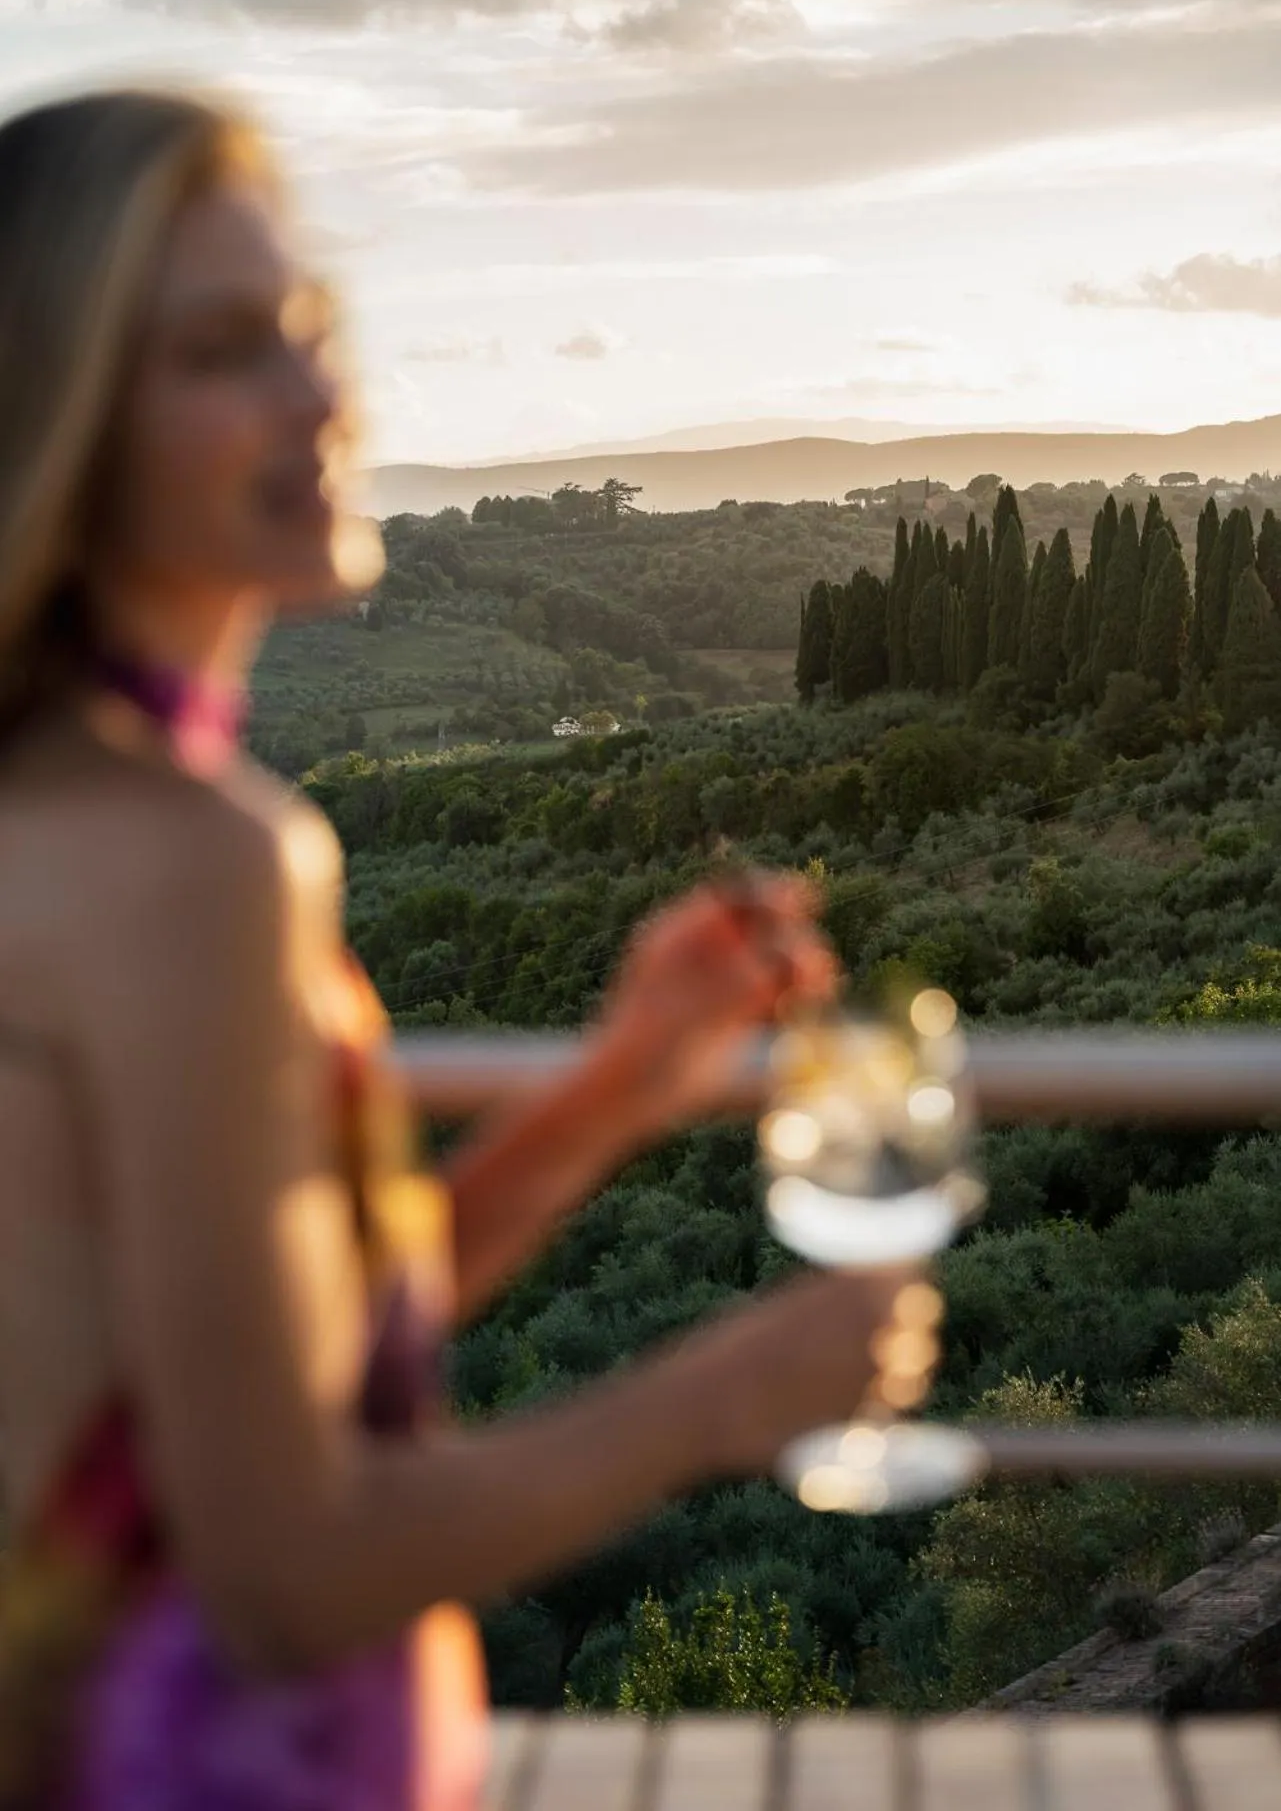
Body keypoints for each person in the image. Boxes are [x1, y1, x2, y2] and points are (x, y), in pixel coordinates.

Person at [0, 88, 922, 1810]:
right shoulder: (196, 864)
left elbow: (292, 1365)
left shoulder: (85, 813)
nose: (314, 397)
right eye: (219, 352)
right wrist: (718, 1400)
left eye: (309, 331)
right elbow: (283, 1580)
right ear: (57, 415)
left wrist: (612, 1092)